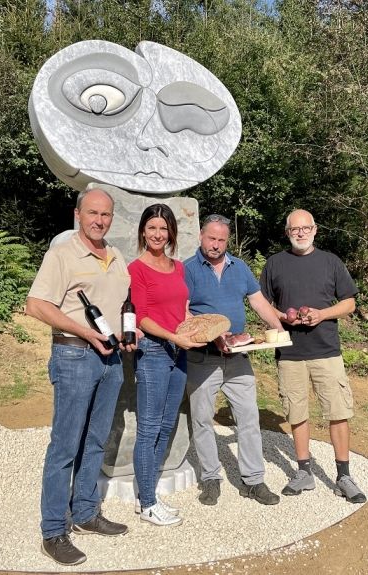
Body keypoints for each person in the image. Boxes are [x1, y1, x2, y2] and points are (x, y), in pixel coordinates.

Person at [25, 188, 136, 566]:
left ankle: (86, 512)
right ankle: (54, 530)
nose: (99, 220)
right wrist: (87, 332)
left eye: (105, 215)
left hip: (110, 359)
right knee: (65, 445)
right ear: (78, 214)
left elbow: (121, 304)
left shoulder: (116, 255)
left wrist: (123, 333)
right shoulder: (62, 254)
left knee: (95, 441)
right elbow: (36, 304)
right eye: (93, 213)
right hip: (74, 355)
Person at [260, 209, 367, 504]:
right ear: (287, 232)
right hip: (290, 353)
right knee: (297, 413)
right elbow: (263, 304)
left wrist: (322, 314)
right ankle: (304, 471)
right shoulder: (275, 264)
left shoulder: (331, 262)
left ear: (315, 230)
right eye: (295, 229)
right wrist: (283, 317)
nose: (301, 233)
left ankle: (344, 475)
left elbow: (349, 303)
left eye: (306, 228)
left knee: (338, 412)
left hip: (326, 350)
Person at [184, 214, 283, 506]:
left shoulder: (239, 268)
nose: (215, 245)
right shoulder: (187, 270)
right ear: (201, 237)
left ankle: (253, 481)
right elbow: (183, 311)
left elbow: (258, 301)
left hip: (238, 357)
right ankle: (211, 479)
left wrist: (279, 329)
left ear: (229, 241)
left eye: (221, 240)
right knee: (202, 420)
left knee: (248, 418)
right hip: (202, 358)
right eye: (211, 238)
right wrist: (210, 333)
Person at [129, 204, 204, 526]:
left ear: (171, 232)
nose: (158, 234)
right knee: (148, 429)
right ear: (143, 232)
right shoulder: (137, 269)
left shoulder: (177, 268)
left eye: (163, 228)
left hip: (179, 352)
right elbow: (143, 317)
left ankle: (149, 492)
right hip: (154, 352)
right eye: (152, 228)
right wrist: (176, 336)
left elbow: (181, 309)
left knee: (164, 425)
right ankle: (146, 503)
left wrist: (197, 327)